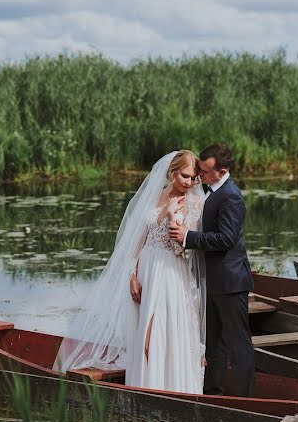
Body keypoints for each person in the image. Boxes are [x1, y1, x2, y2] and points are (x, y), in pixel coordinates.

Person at [54, 150, 207, 393]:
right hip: (146, 270)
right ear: (172, 173)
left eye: (193, 178)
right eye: (185, 176)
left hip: (170, 273)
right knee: (141, 332)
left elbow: (184, 250)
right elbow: (139, 240)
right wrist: (133, 274)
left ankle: (169, 390)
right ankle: (142, 388)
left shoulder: (195, 203)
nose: (189, 183)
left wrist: (169, 216)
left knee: (160, 334)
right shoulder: (154, 195)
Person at [168, 144, 254, 397]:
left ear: (222, 171)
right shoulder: (209, 188)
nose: (199, 176)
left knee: (239, 346)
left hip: (230, 283)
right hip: (212, 282)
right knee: (213, 344)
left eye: (204, 172)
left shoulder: (231, 196)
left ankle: (246, 400)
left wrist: (188, 237)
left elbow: (226, 239)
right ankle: (213, 394)